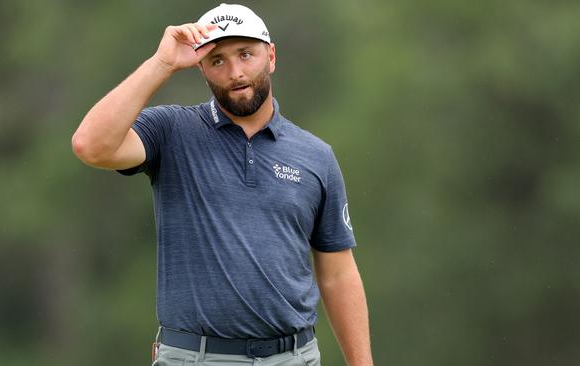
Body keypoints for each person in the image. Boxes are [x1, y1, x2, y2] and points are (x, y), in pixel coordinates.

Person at [72, 3, 373, 366]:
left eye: (246, 54)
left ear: (271, 56)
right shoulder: (171, 131)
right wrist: (161, 63)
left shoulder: (315, 156)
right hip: (195, 358)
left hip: (295, 357)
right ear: (201, 69)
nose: (235, 72)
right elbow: (91, 145)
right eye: (218, 60)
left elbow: (338, 273)